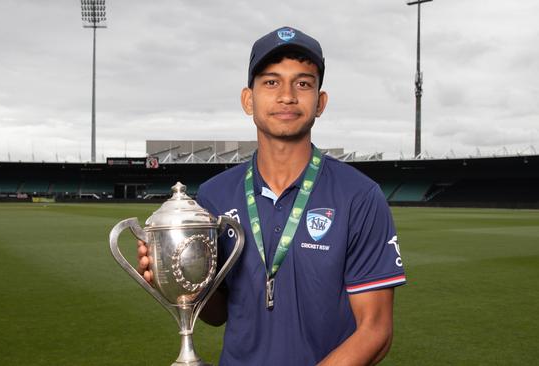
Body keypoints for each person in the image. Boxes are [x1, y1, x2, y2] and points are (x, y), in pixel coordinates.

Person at [138, 26, 406, 366]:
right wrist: (178, 279)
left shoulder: (359, 196)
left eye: (303, 83)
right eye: (271, 82)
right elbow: (216, 312)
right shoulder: (213, 195)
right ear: (248, 100)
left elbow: (375, 329)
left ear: (320, 102)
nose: (287, 96)